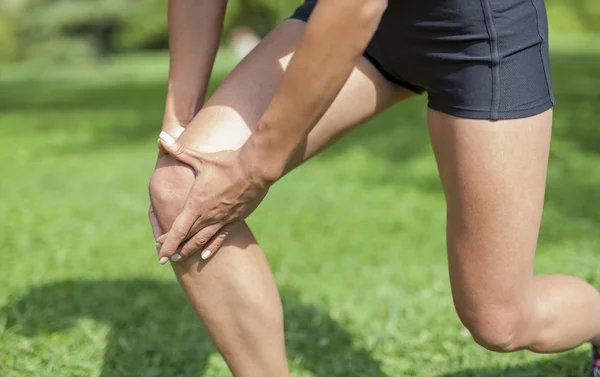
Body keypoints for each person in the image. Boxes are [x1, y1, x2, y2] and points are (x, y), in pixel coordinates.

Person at [148, 0, 600, 375]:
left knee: (500, 320)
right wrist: (179, 124)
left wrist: (257, 166)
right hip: (355, 21)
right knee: (182, 185)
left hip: (477, 31)